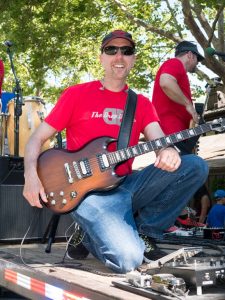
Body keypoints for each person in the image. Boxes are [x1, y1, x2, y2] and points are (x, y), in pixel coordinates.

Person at [23, 30, 208, 274]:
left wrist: (168, 150)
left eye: (126, 51)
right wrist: (31, 177)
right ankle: (88, 235)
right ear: (101, 57)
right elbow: (36, 138)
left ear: (133, 59)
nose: (119, 56)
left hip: (125, 186)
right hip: (87, 195)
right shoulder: (76, 94)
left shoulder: (141, 103)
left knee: (195, 166)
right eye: (111, 50)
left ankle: (145, 231)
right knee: (128, 260)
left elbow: (159, 139)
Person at [152, 40, 210, 226]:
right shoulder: (174, 64)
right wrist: (188, 105)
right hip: (170, 133)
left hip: (174, 134)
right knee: (179, 172)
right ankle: (166, 219)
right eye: (197, 61)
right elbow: (166, 82)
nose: (196, 65)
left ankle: (174, 219)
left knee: (177, 173)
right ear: (190, 55)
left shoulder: (177, 70)